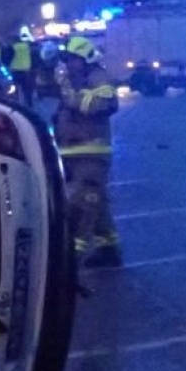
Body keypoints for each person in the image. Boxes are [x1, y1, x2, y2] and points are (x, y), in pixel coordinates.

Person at [54, 35, 121, 268]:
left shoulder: (98, 77)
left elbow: (103, 104)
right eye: (68, 59)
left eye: (74, 59)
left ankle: (70, 261)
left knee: (83, 205)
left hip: (92, 153)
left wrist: (70, 95)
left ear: (86, 58)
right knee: (97, 205)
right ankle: (109, 250)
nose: (70, 64)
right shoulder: (73, 80)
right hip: (73, 152)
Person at [8, 31, 36, 105]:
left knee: (15, 89)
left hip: (15, 70)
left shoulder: (12, 47)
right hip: (26, 70)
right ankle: (29, 103)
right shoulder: (27, 46)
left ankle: (16, 103)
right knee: (27, 89)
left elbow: (8, 58)